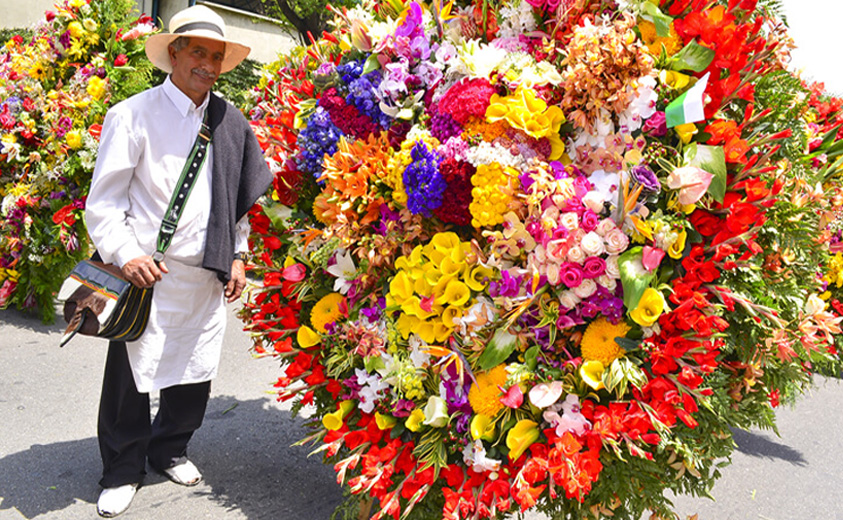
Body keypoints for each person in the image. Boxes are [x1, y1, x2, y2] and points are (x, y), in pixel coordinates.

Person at [84, 5, 272, 517]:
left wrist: (237, 254)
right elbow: (103, 204)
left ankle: (169, 448)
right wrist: (126, 255)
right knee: (130, 378)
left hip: (204, 274)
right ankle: (123, 469)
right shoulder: (132, 115)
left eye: (216, 56)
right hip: (145, 273)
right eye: (198, 52)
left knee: (194, 370)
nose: (208, 64)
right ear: (173, 53)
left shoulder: (229, 121)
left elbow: (235, 201)